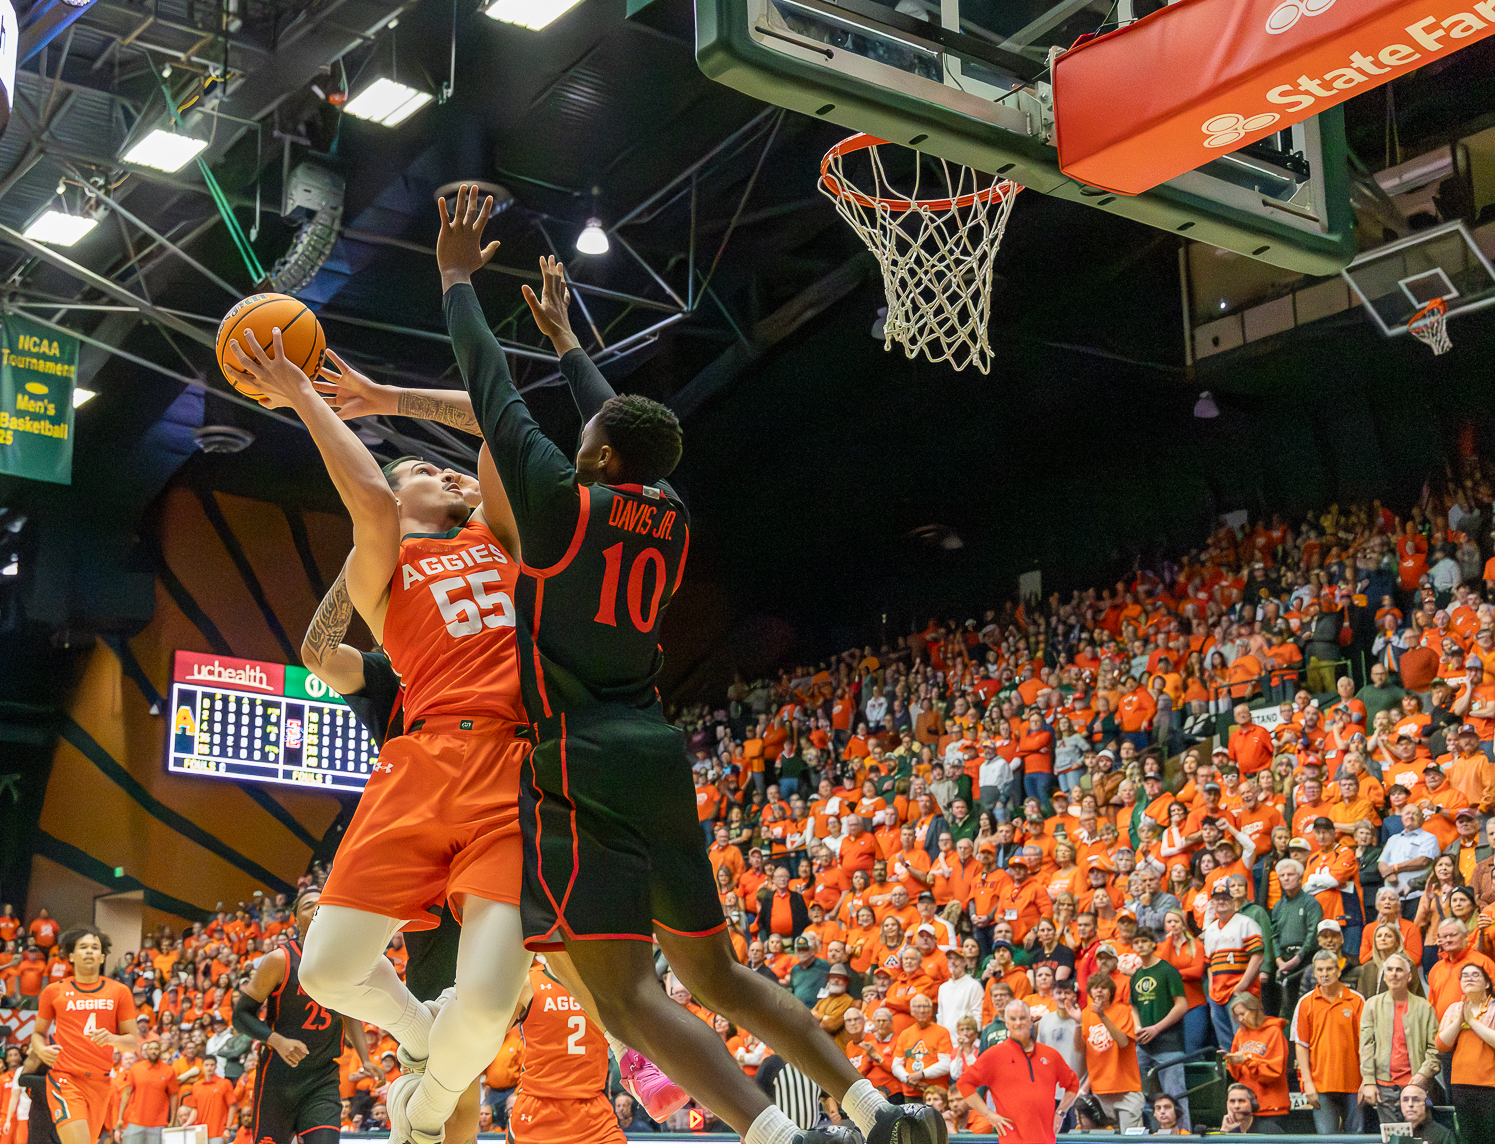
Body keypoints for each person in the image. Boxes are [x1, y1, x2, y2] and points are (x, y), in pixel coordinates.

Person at [439, 192, 935, 1144]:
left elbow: (489, 386)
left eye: (588, 448)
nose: (576, 449)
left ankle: (779, 1136)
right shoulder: (665, 510)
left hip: (578, 761)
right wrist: (571, 343)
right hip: (659, 755)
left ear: (597, 459)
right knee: (713, 973)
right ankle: (873, 1108)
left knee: (624, 1002)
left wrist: (458, 279)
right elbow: (619, 427)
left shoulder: (558, 506)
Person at [226, 310, 539, 1144]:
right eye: (418, 472)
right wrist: (298, 393)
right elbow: (364, 496)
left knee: (489, 1005)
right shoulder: (382, 563)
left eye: (442, 471)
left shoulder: (497, 534)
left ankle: (422, 1107)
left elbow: (496, 413)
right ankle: (416, 1043)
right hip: (423, 760)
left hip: (513, 765)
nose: (440, 473)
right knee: (327, 969)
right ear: (398, 498)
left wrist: (387, 396)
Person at [232, 887, 374, 1144]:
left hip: (322, 1079)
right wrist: (277, 1040)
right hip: (278, 1081)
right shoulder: (279, 960)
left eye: (323, 904)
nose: (318, 907)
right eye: (309, 904)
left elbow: (350, 1013)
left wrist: (365, 1058)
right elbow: (241, 1016)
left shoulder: (343, 962)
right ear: (296, 920)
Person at [29, 927, 138, 1144]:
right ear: (71, 955)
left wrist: (112, 1038)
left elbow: (133, 1042)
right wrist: (41, 1050)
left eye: (95, 947)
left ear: (102, 956)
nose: (89, 952)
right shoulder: (54, 991)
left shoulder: (119, 991)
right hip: (65, 1078)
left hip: (100, 1082)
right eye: (83, 947)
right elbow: (38, 1034)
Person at [507, 958, 624, 1144]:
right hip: (538, 1112)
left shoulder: (604, 985)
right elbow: (486, 1036)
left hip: (593, 1114)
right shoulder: (528, 983)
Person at [953, 1000, 1078, 1144]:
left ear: (1031, 1020)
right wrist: (988, 1114)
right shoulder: (994, 1055)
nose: (1018, 1023)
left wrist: (1061, 1112)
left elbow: (1073, 1083)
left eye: (1022, 1018)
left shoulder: (1050, 1054)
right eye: (1013, 1019)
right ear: (1006, 1022)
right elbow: (964, 1083)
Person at [1358, 951, 1439, 1124]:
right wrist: (1369, 1081)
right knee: (1391, 1138)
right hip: (1383, 1087)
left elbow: (1435, 1049)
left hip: (1415, 1085)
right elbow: (1366, 1046)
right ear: (1384, 975)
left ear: (1409, 976)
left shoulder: (1424, 1008)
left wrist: (1423, 1075)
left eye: (1399, 970)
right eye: (1389, 970)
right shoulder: (1372, 1005)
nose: (1394, 974)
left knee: (1416, 1137)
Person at [1292, 948, 1366, 1134]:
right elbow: (1301, 1045)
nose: (1325, 974)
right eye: (1320, 970)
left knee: (1356, 1138)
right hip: (1320, 1084)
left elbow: (1367, 1045)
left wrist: (1367, 1081)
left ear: (1338, 970)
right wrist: (1307, 1082)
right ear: (1315, 973)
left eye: (1329, 969)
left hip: (1354, 1083)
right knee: (1326, 1139)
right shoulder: (1305, 1003)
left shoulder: (1357, 1000)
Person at [1127, 927, 1189, 1128]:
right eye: (1136, 942)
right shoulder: (1135, 975)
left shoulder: (1167, 970)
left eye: (1144, 941)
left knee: (1176, 1098)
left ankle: (1184, 1139)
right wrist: (1137, 1027)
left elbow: (1182, 1006)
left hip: (1169, 1044)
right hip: (1144, 1046)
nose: (1140, 945)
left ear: (1154, 944)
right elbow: (1134, 1007)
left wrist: (1156, 1028)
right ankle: (1153, 1138)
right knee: (1144, 1100)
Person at [1434, 962, 1495, 1140]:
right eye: (1465, 975)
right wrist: (1460, 1018)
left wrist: (1472, 1022)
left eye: (1475, 975)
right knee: (1468, 1137)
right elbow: (1441, 1045)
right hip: (1461, 1084)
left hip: (1490, 1085)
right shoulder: (1454, 1009)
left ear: (1487, 984)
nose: (1469, 978)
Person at [1077, 973, 1142, 1131]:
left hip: (1126, 1089)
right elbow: (1081, 1049)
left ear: (1111, 991)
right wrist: (1076, 1023)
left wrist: (1102, 1016)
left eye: (1103, 987)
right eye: (1094, 987)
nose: (1099, 991)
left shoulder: (1123, 1010)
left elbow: (1123, 1042)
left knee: (1131, 1142)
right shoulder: (1085, 1014)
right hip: (1099, 1091)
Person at [1203, 885, 1264, 1050]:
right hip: (1217, 993)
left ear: (1234, 900)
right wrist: (1211, 987)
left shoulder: (1246, 923)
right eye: (1217, 898)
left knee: (1246, 1039)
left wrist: (1241, 986)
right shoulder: (1210, 930)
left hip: (1241, 992)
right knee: (1225, 1044)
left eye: (1226, 897)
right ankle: (1230, 1074)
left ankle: (1248, 1075)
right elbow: (1210, 964)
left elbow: (1257, 957)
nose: (1221, 901)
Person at [1224, 992, 1289, 1125]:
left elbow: (1274, 1071)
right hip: (1246, 1108)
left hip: (1271, 1106)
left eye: (1243, 1013)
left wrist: (1246, 1060)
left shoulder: (1274, 1031)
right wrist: (1232, 1062)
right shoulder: (1240, 1033)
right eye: (1237, 1015)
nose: (1241, 1019)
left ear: (1255, 1009)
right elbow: (1236, 1074)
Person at [117, 1038, 179, 1144]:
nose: (154, 1051)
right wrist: (120, 1117)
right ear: (146, 1051)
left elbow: (173, 1095)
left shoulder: (168, 1071)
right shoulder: (136, 1068)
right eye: (151, 1049)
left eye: (156, 1049)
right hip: (135, 1121)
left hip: (158, 1124)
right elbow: (127, 1093)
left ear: (160, 1051)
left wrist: (173, 1120)